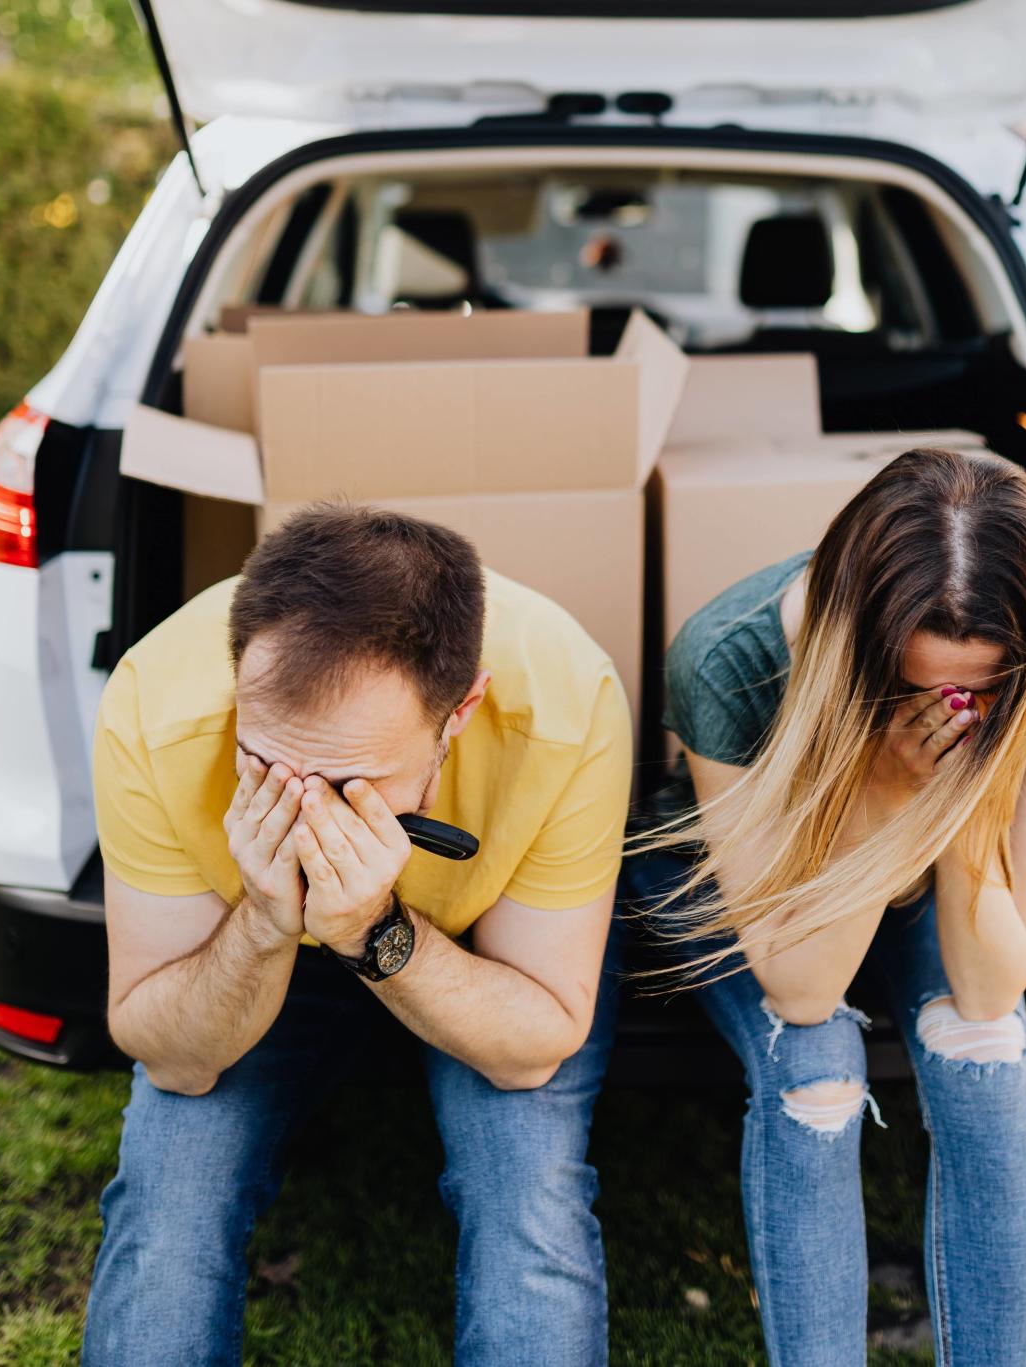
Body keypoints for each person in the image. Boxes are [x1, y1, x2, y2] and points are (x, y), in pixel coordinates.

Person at [82, 502, 633, 1367]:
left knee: (531, 1196)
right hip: (243, 940)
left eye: (347, 783)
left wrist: (373, 928)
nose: (303, 818)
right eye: (264, 765)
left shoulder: (568, 703)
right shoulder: (157, 704)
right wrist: (267, 917)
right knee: (168, 1196)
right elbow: (173, 1057)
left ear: (460, 711)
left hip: (479, 950)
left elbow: (528, 1049)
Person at [631, 446, 1026, 1367]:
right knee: (816, 1070)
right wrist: (887, 795)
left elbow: (988, 987)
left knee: (989, 1050)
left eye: (980, 692)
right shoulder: (731, 661)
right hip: (758, 887)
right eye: (914, 681)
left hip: (929, 875)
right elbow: (804, 988)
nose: (949, 709)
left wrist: (972, 791)